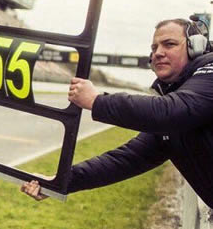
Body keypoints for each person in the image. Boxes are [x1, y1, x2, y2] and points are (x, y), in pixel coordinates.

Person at [21, 18, 213, 207]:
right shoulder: (172, 117)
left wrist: (97, 101)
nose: (158, 53)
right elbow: (127, 159)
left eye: (169, 44)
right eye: (154, 48)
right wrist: (60, 181)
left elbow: (170, 111)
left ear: (195, 47)